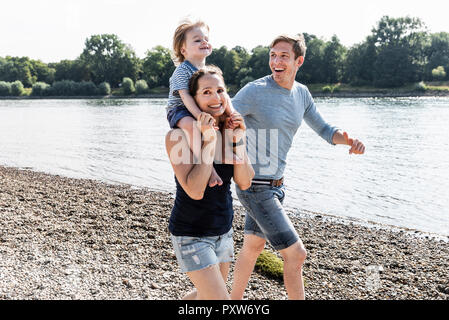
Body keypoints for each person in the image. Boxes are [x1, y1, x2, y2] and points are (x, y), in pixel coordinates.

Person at [230, 34, 365, 300]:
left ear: (298, 61)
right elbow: (222, 117)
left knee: (253, 247)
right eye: (272, 55)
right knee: (296, 254)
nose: (275, 61)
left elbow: (326, 130)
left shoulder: (301, 94)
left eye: (283, 56)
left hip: (277, 186)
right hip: (254, 186)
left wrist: (348, 140)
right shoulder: (254, 90)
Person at [165, 65, 255, 300]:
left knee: (205, 297)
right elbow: (195, 190)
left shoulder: (230, 130)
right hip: (191, 234)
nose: (215, 97)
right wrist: (208, 142)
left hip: (223, 231)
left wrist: (239, 140)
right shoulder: (177, 137)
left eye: (220, 90)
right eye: (206, 92)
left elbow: (244, 182)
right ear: (192, 100)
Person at [167, 18, 237, 189]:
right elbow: (186, 97)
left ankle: (228, 151)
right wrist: (199, 116)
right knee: (192, 127)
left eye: (206, 39)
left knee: (228, 118)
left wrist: (232, 113)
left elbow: (222, 94)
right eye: (197, 40)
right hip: (180, 109)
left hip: (200, 106)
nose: (204, 42)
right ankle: (210, 168)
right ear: (184, 50)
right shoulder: (182, 70)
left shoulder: (208, 71)